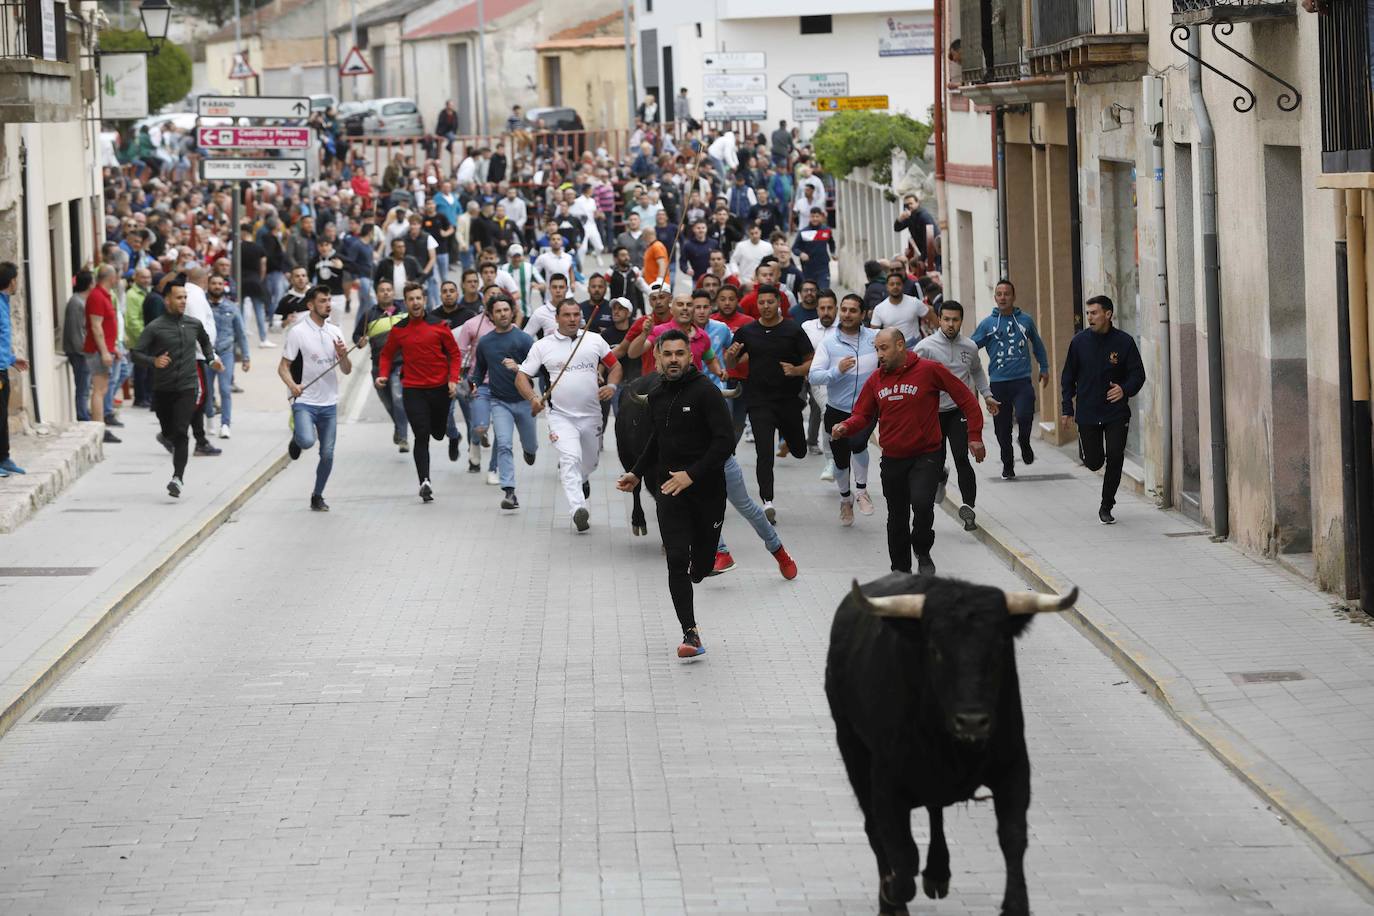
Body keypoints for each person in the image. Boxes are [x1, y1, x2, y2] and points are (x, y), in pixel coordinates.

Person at [617, 331, 734, 659]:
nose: (673, 360)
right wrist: (637, 472)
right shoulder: (656, 393)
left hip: (708, 491)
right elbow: (657, 438)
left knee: (701, 565)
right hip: (669, 488)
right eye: (666, 354)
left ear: (690, 357)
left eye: (679, 354)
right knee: (677, 559)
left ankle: (702, 566)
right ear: (656, 358)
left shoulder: (706, 393)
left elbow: (725, 442)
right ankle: (690, 634)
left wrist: (692, 474)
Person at [832, 329, 986, 577]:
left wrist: (975, 435)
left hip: (926, 454)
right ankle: (900, 571)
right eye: (877, 349)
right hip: (892, 459)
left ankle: (923, 551)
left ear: (900, 345)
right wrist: (845, 426)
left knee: (923, 504)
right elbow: (863, 414)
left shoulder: (928, 370)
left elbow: (965, 398)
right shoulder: (875, 380)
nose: (879, 354)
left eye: (884, 348)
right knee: (897, 517)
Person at [515, 299, 622, 532]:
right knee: (569, 459)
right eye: (567, 315)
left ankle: (583, 479)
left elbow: (615, 366)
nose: (573, 319)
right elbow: (521, 376)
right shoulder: (543, 346)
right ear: (557, 318)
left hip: (592, 415)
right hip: (560, 416)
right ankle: (577, 509)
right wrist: (533, 398)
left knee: (590, 463)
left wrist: (612, 387)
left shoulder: (594, 340)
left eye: (576, 314)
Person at [722, 284, 812, 522]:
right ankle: (767, 502)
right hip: (759, 400)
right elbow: (731, 363)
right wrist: (731, 356)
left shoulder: (793, 330)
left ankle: (793, 442)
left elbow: (810, 361)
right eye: (761, 303)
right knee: (764, 452)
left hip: (789, 400)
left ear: (779, 303)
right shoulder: (747, 332)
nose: (765, 306)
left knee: (800, 451)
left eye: (770, 302)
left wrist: (795, 370)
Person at [1060, 294, 1146, 525]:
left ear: (1108, 314)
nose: (1090, 317)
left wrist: (1124, 389)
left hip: (1115, 412)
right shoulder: (1079, 342)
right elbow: (1068, 377)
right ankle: (1086, 448)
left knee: (1115, 456)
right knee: (1094, 463)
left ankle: (1106, 504)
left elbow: (1138, 374)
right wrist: (1067, 408)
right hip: (1088, 412)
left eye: (1094, 313)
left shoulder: (1124, 342)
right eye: (1087, 313)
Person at [130, 281, 222, 498]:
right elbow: (135, 354)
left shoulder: (194, 324)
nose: (183, 301)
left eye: (185, 297)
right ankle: (165, 436)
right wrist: (153, 361)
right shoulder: (155, 327)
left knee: (181, 432)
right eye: (178, 298)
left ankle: (177, 478)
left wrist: (211, 360)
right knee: (171, 432)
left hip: (187, 386)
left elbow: (205, 342)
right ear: (167, 300)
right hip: (163, 389)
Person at [915, 299, 999, 532]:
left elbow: (977, 372)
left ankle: (968, 508)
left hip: (958, 411)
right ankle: (940, 476)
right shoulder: (926, 347)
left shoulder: (970, 346)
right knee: (936, 461)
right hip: (933, 414)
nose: (951, 324)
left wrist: (987, 395)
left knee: (962, 457)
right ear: (939, 320)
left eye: (955, 320)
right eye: (947, 319)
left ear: (961, 321)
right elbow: (913, 376)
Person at [377, 282, 463, 502]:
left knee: (438, 433)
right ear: (405, 303)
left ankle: (454, 437)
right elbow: (386, 355)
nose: (415, 302)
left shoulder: (439, 325)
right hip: (413, 389)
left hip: (439, 389)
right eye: (410, 299)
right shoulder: (399, 330)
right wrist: (383, 374)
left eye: (418, 298)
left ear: (424, 300)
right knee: (422, 435)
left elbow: (454, 354)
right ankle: (424, 482)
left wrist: (452, 379)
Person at [809, 293, 880, 526]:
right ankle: (845, 499)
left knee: (859, 443)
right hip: (836, 409)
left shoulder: (875, 338)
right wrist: (837, 371)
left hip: (866, 409)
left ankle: (860, 491)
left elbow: (892, 359)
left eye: (853, 311)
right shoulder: (829, 344)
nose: (847, 315)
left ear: (863, 314)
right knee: (840, 461)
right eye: (845, 310)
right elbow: (814, 375)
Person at [278, 285, 350, 511]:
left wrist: (343, 355)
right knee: (307, 441)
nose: (328, 304)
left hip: (329, 403)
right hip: (305, 400)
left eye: (329, 300)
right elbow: (282, 368)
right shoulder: (298, 332)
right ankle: (298, 439)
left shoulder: (335, 331)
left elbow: (347, 369)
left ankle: (317, 495)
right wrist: (293, 386)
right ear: (310, 305)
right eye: (322, 301)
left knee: (327, 455)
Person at [970, 279, 1050, 479]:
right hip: (998, 383)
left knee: (1024, 415)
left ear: (1013, 297)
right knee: (1001, 428)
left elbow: (1038, 344)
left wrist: (1044, 367)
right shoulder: (988, 324)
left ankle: (1024, 441)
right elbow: (971, 347)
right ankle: (1008, 463)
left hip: (1022, 380)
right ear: (995, 297)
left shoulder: (1025, 320)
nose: (1003, 297)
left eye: (1007, 293)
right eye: (999, 294)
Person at [471, 297, 537, 510]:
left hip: (524, 401)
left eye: (506, 310)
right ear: (490, 315)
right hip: (499, 402)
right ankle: (509, 492)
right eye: (497, 311)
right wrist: (474, 383)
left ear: (512, 311)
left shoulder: (524, 340)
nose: (502, 314)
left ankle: (530, 450)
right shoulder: (486, 342)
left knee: (530, 445)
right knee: (504, 444)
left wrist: (519, 367)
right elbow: (480, 369)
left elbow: (538, 369)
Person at [353, 277, 409, 452]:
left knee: (398, 398)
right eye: (382, 290)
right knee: (389, 403)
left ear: (393, 292)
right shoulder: (369, 315)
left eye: (388, 289)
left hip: (400, 363)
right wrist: (360, 341)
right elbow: (357, 336)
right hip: (378, 366)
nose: (386, 292)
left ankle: (403, 437)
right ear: (376, 295)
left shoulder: (404, 310)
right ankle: (398, 427)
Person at [183, 267, 223, 456]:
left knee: (198, 397)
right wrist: (211, 356)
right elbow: (198, 329)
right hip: (196, 355)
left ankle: (198, 439)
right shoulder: (196, 297)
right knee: (199, 397)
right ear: (205, 280)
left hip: (196, 354)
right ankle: (176, 433)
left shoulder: (191, 294)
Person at [206, 274, 249, 439]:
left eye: (219, 284)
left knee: (225, 389)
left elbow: (241, 333)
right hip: (208, 353)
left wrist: (246, 357)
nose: (217, 286)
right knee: (207, 391)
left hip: (226, 353)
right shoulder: (203, 307)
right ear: (208, 285)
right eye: (214, 283)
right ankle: (209, 418)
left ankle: (225, 424)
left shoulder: (232, 307)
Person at [83, 265, 122, 443]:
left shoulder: (103, 295)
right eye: (116, 277)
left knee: (103, 389)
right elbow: (96, 326)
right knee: (99, 390)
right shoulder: (97, 296)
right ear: (111, 278)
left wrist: (112, 348)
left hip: (104, 349)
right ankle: (99, 428)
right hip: (97, 351)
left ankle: (100, 426)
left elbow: (105, 327)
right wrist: (105, 352)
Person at [0, 262, 31, 477]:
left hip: (3, 367)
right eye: (17, 278)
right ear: (12, 281)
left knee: (2, 416)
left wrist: (11, 359)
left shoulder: (4, 302)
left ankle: (4, 457)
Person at [869, 270, 930, 346]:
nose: (895, 287)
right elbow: (873, 333)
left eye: (898, 284)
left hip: (915, 347)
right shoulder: (879, 309)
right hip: (892, 348)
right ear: (887, 287)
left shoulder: (914, 302)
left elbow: (932, 317)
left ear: (903, 286)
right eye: (892, 284)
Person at [64, 270, 93, 422]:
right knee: (82, 387)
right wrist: (84, 352)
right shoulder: (76, 302)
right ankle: (82, 416)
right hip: (79, 352)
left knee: (85, 387)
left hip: (83, 351)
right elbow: (76, 331)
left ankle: (84, 412)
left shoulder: (82, 301)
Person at [792, 208, 836, 290]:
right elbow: (794, 248)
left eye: (817, 216)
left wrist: (833, 253)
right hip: (808, 268)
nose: (815, 219)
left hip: (823, 267)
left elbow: (831, 242)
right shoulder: (803, 232)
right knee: (811, 293)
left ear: (821, 217)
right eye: (813, 216)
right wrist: (801, 254)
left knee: (824, 291)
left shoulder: (827, 230)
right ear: (809, 217)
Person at [894, 193, 940, 269]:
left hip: (934, 252)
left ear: (917, 203)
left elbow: (929, 238)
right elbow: (897, 228)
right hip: (926, 251)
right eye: (906, 205)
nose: (909, 206)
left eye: (911, 203)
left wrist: (923, 258)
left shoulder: (923, 216)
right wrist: (900, 218)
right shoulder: (910, 216)